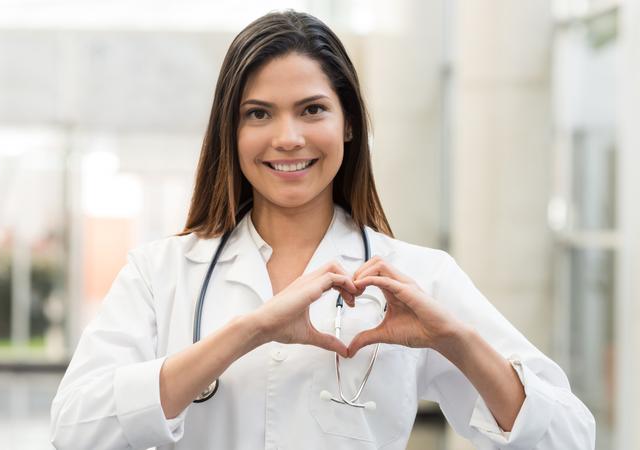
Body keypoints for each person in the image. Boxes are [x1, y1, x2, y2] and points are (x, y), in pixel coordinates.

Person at [50, 10, 595, 450]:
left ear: (349, 122)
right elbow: (75, 431)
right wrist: (251, 330)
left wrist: (455, 340)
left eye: (312, 109)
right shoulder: (159, 273)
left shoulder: (418, 278)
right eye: (258, 114)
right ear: (230, 130)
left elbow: (569, 438)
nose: (287, 138)